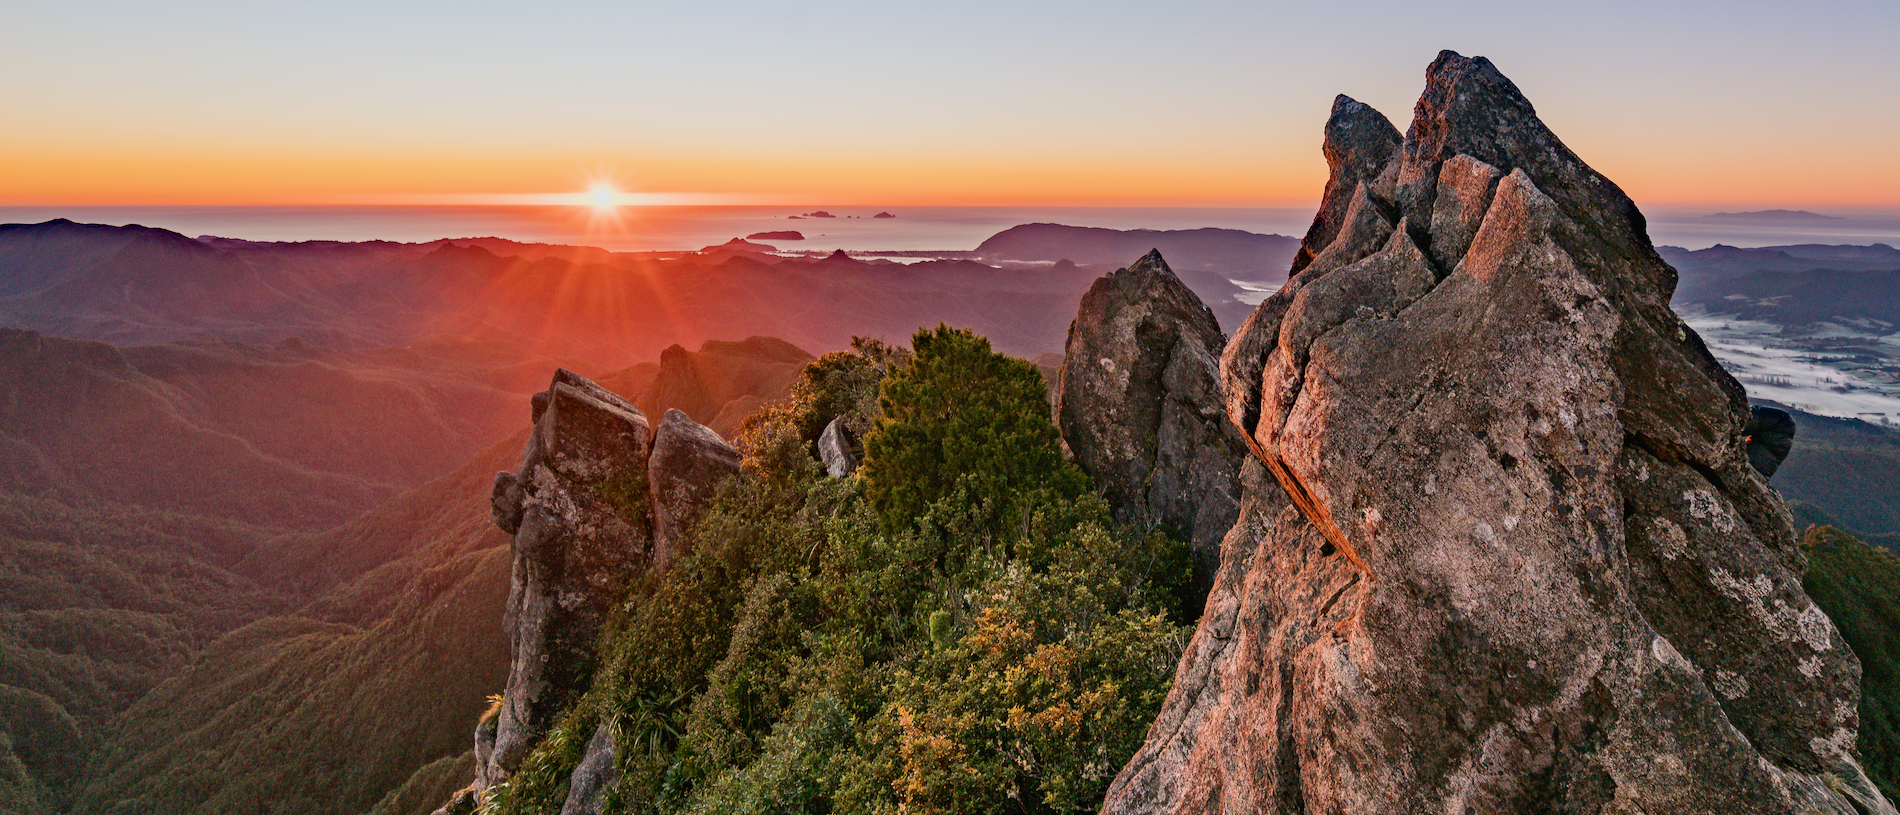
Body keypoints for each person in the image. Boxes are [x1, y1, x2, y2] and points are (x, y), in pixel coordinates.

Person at [1744, 405, 1796, 477]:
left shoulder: (1783, 424)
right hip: (1751, 475)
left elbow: (1784, 423)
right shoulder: (1783, 426)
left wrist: (1738, 417)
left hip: (1747, 473)